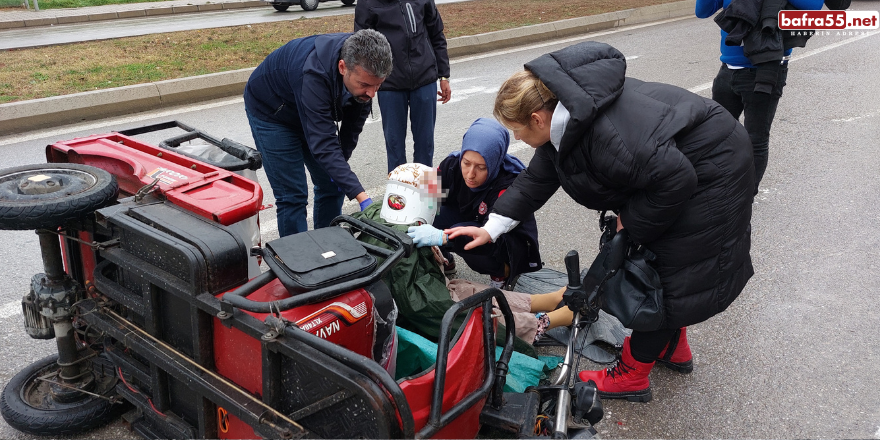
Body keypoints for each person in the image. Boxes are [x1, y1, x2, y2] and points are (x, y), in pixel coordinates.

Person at [447, 41, 755, 403]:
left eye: (516, 130)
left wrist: (631, 222)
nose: (517, 139)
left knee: (664, 275)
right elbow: (536, 180)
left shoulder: (608, 137)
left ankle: (631, 376)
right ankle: (672, 347)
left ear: (537, 118)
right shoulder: (569, 116)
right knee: (665, 271)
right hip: (682, 162)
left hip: (710, 173)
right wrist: (490, 227)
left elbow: (675, 181)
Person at [353, 163, 571, 349]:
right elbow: (437, 312)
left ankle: (544, 301)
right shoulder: (404, 255)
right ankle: (544, 322)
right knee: (473, 312)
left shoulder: (377, 215)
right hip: (418, 315)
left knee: (461, 287)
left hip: (413, 297)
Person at [243, 30, 392, 237]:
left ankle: (327, 246)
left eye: (378, 84)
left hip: (311, 110)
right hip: (273, 113)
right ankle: (296, 262)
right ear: (342, 67)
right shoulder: (313, 72)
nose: (372, 93)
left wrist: (340, 171)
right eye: (365, 85)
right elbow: (324, 144)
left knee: (334, 184)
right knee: (292, 196)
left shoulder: (364, 69)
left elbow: (349, 133)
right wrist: (362, 197)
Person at [696, 0, 823, 194]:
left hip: (766, 70)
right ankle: (720, 186)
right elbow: (702, 11)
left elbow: (813, 7)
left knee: (755, 138)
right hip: (727, 70)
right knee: (717, 135)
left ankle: (745, 196)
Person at [405, 118, 542, 290]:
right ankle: (444, 258)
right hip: (470, 216)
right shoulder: (451, 163)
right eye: (466, 163)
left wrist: (442, 237)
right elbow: (427, 195)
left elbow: (490, 234)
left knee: (466, 240)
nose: (470, 174)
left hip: (502, 239)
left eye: (481, 167)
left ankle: (501, 272)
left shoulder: (509, 184)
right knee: (431, 212)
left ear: (495, 162)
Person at [354, 0, 452, 173]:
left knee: (425, 144)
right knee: (394, 147)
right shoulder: (367, 3)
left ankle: (426, 196)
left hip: (424, 78)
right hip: (389, 84)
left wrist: (444, 76)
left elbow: (437, 34)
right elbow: (361, 46)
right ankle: (399, 197)